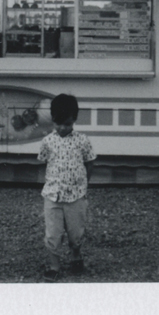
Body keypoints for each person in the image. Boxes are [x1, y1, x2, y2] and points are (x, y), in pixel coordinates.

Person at [37, 93, 96, 282]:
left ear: (75, 120)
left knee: (75, 232)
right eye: (59, 124)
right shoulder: (48, 142)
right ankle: (54, 264)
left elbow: (90, 162)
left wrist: (83, 184)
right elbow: (44, 163)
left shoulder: (82, 141)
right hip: (53, 197)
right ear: (53, 120)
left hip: (76, 196)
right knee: (53, 233)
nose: (63, 128)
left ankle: (76, 254)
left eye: (68, 124)